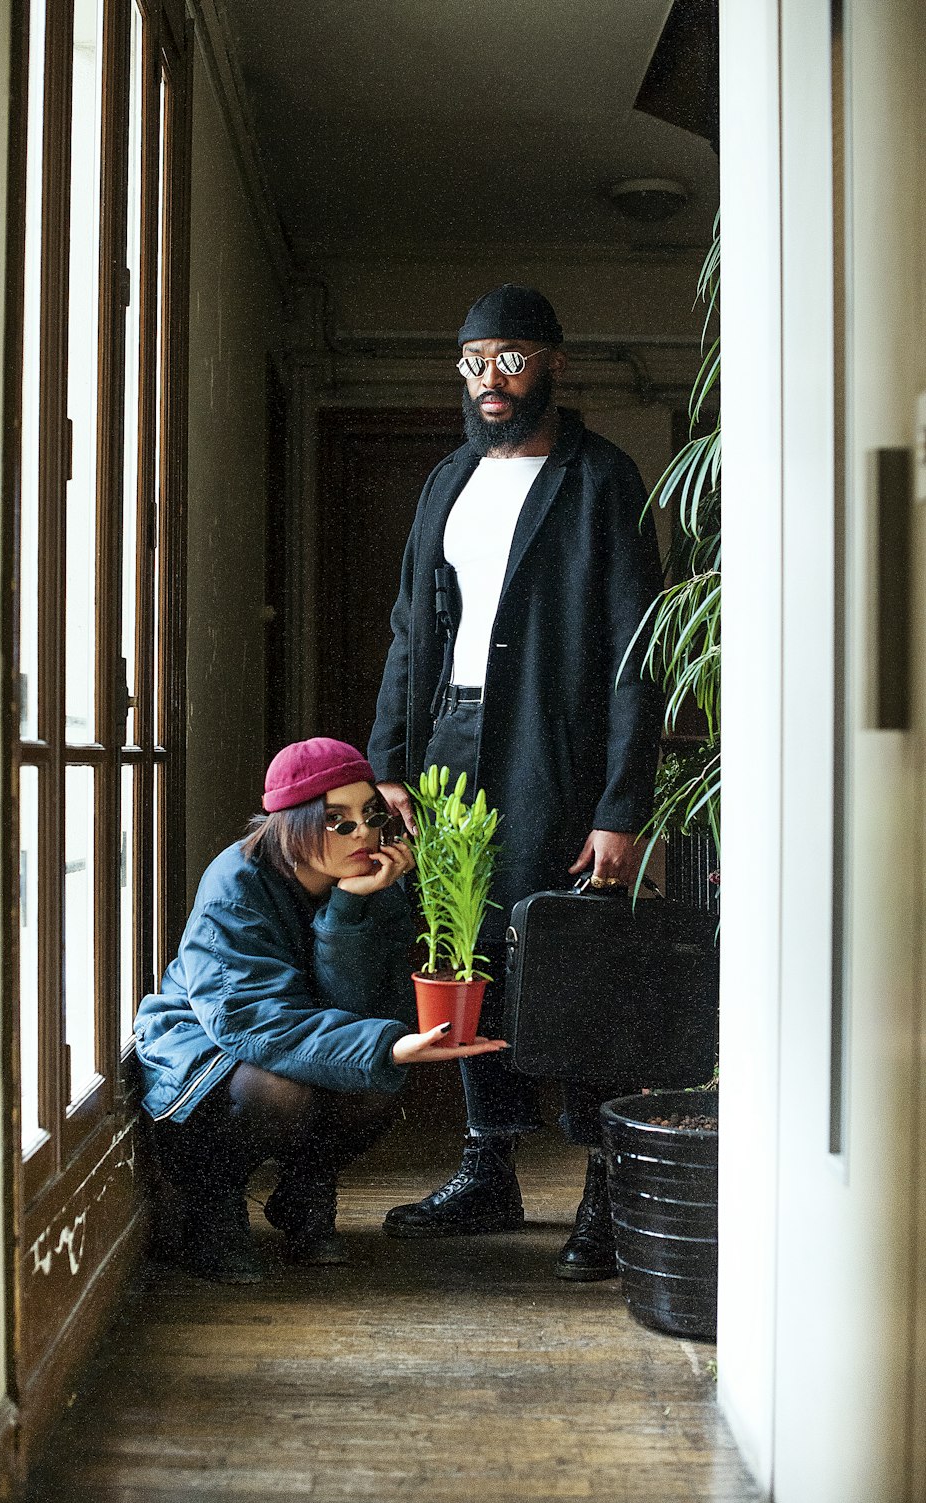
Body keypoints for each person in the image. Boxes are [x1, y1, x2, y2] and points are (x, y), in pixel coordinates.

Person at [368, 285, 663, 1280]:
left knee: (570, 962)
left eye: (511, 358)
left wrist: (623, 807)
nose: (490, 380)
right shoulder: (447, 479)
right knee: (465, 959)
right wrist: (389, 767)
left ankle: (603, 1198)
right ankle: (486, 1170)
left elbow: (637, 652)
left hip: (555, 746)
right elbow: (413, 631)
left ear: (554, 365)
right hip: (450, 739)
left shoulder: (599, 480)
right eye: (474, 360)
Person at [134, 737, 507, 1283]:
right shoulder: (235, 884)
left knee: (374, 1085)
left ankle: (304, 1191)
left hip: (296, 1031)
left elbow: (360, 1006)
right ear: (293, 824)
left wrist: (349, 907)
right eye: (339, 820)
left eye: (370, 814)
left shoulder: (372, 880)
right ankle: (210, 1210)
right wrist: (385, 1045)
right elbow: (251, 1022)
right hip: (205, 1043)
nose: (364, 833)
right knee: (283, 1090)